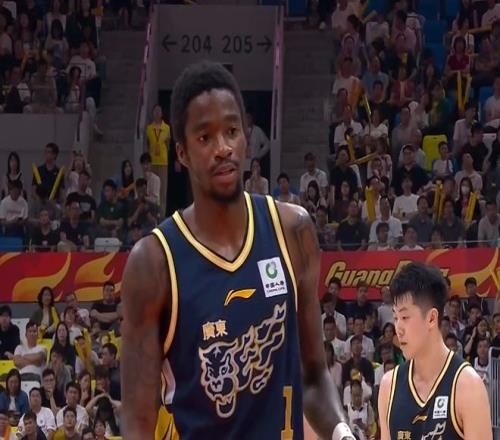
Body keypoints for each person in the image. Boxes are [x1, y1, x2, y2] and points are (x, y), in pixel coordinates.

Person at [121, 61, 355, 439]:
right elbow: (138, 419)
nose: (223, 148)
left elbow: (313, 377)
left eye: (231, 131)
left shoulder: (293, 230)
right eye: (205, 137)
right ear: (181, 153)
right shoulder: (154, 262)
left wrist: (343, 433)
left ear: (246, 136)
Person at [378, 262, 492, 440]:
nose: (398, 328)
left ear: (431, 318)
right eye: (395, 317)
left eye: (405, 317)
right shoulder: (388, 386)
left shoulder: (468, 386)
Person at [146, 104, 170, 217]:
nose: (157, 112)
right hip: (152, 162)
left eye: (159, 110)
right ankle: (152, 214)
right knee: (152, 189)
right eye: (155, 110)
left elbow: (168, 145)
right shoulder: (149, 128)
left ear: (161, 113)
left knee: (162, 190)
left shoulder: (166, 128)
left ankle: (162, 215)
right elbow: (147, 144)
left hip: (163, 162)